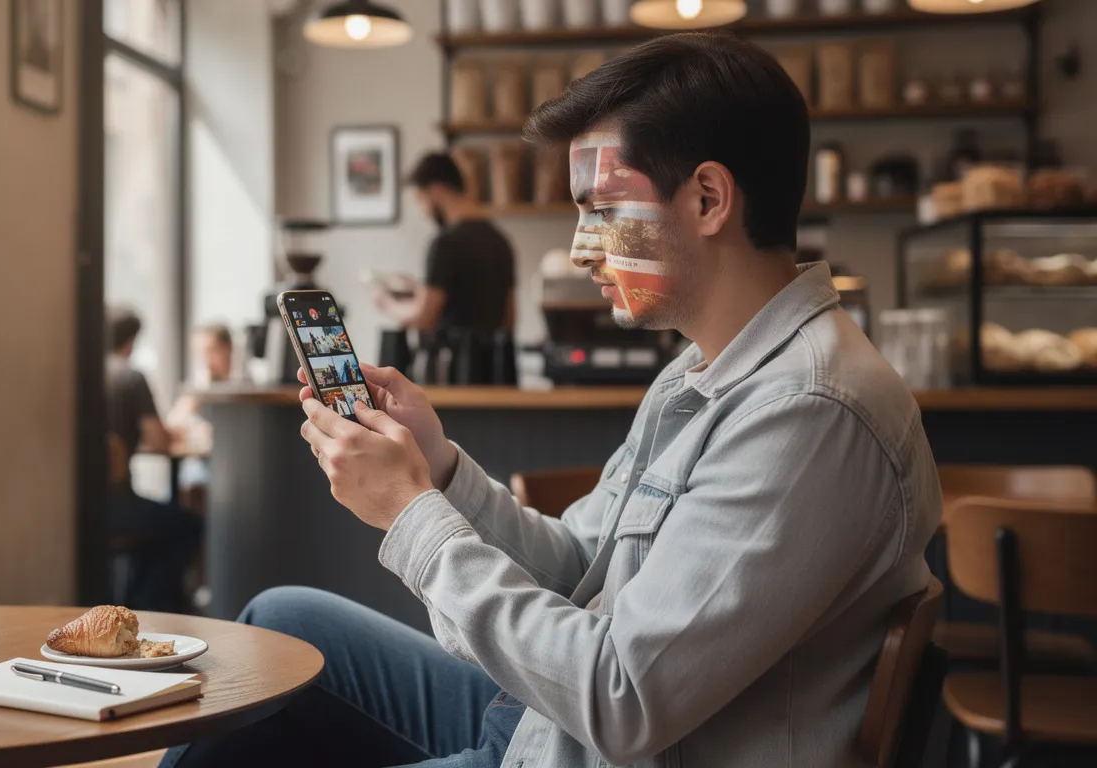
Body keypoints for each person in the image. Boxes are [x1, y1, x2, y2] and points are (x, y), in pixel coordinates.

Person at [162, 34, 941, 768]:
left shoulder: (809, 411)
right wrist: (438, 468)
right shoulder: (699, 373)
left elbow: (623, 697)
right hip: (546, 722)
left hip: (593, 746)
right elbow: (576, 567)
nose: (578, 248)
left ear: (708, 199)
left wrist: (409, 515)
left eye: (601, 209)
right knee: (279, 617)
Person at [105, 306, 203, 614]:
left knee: (157, 521)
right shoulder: (130, 376)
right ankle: (151, 605)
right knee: (187, 524)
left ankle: (135, 602)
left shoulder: (83, 372)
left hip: (79, 508)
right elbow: (159, 439)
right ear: (131, 341)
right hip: (115, 505)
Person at [375, 153, 516, 336]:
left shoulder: (445, 243)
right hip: (492, 363)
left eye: (421, 200)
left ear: (436, 189)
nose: (424, 212)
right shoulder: (500, 240)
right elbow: (510, 319)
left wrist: (385, 302)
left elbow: (425, 320)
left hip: (453, 361)